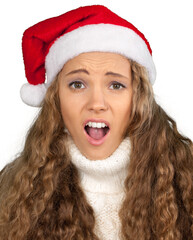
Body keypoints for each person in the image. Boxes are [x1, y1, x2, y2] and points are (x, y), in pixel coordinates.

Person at [0, 5, 192, 240]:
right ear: (56, 98)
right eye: (77, 84)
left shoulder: (185, 185)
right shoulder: (13, 195)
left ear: (137, 98)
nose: (97, 103)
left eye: (116, 85)